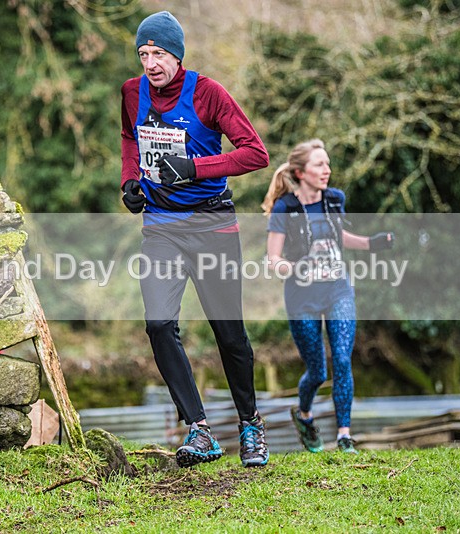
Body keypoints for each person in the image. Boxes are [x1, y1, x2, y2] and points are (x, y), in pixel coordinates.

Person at [120, 11, 270, 468]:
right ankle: (199, 429)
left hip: (212, 225)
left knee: (229, 333)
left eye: (159, 53)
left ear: (177, 54)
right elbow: (130, 137)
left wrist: (196, 168)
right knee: (159, 324)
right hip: (161, 225)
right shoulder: (131, 92)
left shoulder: (208, 93)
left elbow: (255, 154)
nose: (150, 63)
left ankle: (250, 425)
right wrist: (130, 181)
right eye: (144, 54)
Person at [261, 139, 393, 454]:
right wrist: (294, 267)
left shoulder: (335, 199)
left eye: (328, 164)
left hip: (338, 290)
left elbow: (337, 236)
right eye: (320, 164)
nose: (327, 170)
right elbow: (272, 259)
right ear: (300, 172)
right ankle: (304, 415)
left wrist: (371, 244)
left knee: (343, 359)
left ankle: (344, 435)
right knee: (318, 371)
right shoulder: (286, 208)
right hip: (302, 297)